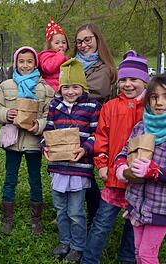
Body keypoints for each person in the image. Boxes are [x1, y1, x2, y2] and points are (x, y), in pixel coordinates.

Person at [81, 50, 150, 264]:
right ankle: (89, 259)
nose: (128, 84)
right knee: (102, 222)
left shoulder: (151, 109)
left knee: (134, 223)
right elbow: (101, 137)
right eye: (124, 80)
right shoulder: (110, 107)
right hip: (114, 176)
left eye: (134, 79)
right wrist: (101, 163)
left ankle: (127, 258)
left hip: (140, 180)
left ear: (145, 82)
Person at [0, 46, 54, 235]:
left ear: (35, 64)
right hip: (13, 142)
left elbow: (50, 115)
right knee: (10, 178)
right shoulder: (6, 85)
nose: (25, 65)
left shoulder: (45, 89)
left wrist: (39, 125)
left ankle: (36, 219)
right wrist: (6, 114)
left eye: (30, 61)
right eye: (21, 61)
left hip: (34, 142)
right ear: (15, 63)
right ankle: (7, 218)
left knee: (35, 179)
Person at [42, 58, 101, 262]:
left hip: (79, 168)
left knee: (76, 211)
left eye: (75, 87)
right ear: (60, 88)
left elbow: (97, 135)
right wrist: (45, 147)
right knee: (60, 208)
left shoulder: (92, 106)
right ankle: (64, 241)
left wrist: (85, 150)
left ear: (82, 87)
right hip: (58, 167)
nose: (70, 91)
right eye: (66, 87)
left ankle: (77, 246)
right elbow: (48, 131)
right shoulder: (54, 106)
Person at [115, 73, 166, 264]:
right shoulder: (141, 127)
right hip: (137, 203)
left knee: (147, 255)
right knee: (137, 252)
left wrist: (155, 171)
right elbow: (124, 151)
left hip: (160, 207)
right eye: (154, 97)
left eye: (165, 97)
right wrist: (121, 166)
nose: (159, 102)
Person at [74, 23, 118, 226]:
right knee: (76, 167)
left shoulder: (104, 68)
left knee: (88, 170)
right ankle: (77, 210)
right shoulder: (73, 64)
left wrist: (69, 88)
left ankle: (97, 214)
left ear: (97, 40)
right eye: (79, 41)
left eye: (88, 40)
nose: (83, 45)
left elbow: (94, 91)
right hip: (73, 121)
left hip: (94, 123)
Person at [38, 17, 69, 92]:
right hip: (50, 87)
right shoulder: (45, 55)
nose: (61, 45)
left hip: (62, 85)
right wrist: (60, 56)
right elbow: (49, 68)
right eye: (57, 43)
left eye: (64, 42)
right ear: (49, 45)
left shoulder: (65, 57)